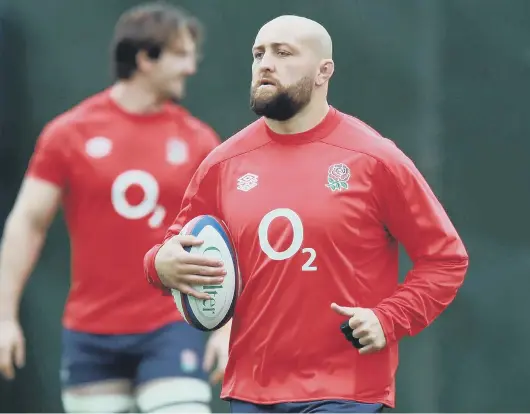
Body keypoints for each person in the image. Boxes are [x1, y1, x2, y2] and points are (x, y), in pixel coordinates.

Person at [144, 14, 469, 413]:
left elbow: (445, 259)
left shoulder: (374, 158)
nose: (265, 63)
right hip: (251, 392)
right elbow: (175, 248)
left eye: (283, 53)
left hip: (346, 393)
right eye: (258, 53)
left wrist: (388, 320)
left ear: (323, 71)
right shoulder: (223, 164)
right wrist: (160, 263)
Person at [0, 3, 226, 413]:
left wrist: (227, 329)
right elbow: (27, 223)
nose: (191, 68)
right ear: (145, 58)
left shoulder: (199, 140)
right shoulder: (68, 133)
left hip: (171, 326)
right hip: (91, 333)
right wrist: (3, 317)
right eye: (180, 55)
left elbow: (229, 237)